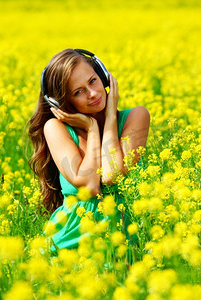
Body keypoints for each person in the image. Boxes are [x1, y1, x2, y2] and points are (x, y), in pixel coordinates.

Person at [28, 48, 150, 253]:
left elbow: (111, 175)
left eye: (93, 81)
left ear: (103, 75)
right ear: (62, 102)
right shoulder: (55, 129)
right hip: (71, 243)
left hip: (125, 242)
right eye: (78, 92)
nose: (92, 93)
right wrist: (92, 129)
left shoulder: (136, 117)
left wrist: (110, 117)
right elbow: (91, 185)